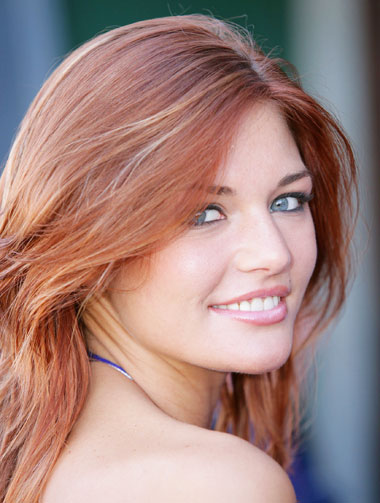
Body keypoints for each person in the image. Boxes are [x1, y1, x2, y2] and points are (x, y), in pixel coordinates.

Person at [0, 15, 357, 503]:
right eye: (205, 213)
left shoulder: (32, 445)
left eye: (288, 201)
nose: (273, 254)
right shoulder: (216, 484)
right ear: (91, 237)